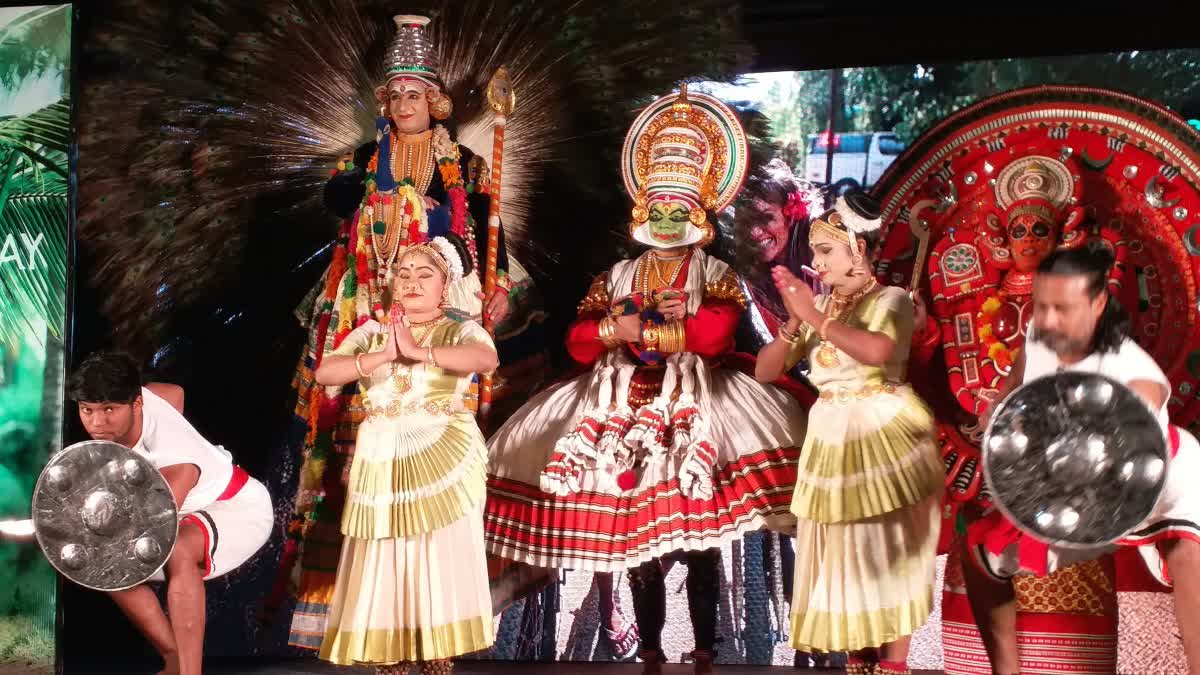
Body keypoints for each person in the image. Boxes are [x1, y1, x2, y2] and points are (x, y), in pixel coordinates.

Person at [485, 86, 807, 675]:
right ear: (641, 211)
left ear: (699, 214)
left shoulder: (715, 271)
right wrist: (616, 327)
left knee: (700, 539)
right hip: (617, 401)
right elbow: (579, 341)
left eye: (677, 211)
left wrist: (664, 332)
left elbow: (718, 334)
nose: (665, 221)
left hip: (699, 400)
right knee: (634, 545)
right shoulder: (617, 275)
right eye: (656, 209)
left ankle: (704, 649)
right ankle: (651, 652)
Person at [283, 14, 546, 649]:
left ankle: (441, 613)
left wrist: (494, 286)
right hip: (367, 300)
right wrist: (372, 194)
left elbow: (486, 233)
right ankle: (356, 610)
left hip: (441, 300)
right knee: (342, 441)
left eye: (415, 94)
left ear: (436, 102)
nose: (404, 105)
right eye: (395, 95)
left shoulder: (466, 163)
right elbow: (336, 205)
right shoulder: (362, 158)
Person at [963, 243, 1200, 675]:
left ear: (1098, 303)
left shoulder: (1136, 373)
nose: (1049, 320)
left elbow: (1124, 447)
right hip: (1076, 485)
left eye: (1063, 309)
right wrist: (1001, 403)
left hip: (1161, 479)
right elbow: (1023, 368)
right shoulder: (1041, 330)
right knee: (981, 555)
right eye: (1042, 306)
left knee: (1189, 561)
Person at [755, 192, 943, 675]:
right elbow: (765, 371)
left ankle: (894, 667)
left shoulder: (892, 299)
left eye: (825, 251)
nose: (816, 263)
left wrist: (816, 317)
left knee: (884, 553)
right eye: (814, 252)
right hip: (831, 437)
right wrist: (795, 319)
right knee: (843, 558)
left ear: (858, 249)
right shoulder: (819, 305)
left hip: (880, 430)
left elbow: (877, 352)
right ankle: (857, 662)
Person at [315, 234, 498, 675]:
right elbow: (326, 372)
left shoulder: (460, 329)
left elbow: (485, 359)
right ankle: (391, 652)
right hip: (382, 453)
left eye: (424, 275)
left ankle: (437, 650)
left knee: (436, 548)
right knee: (387, 550)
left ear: (445, 286)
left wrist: (419, 352)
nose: (412, 282)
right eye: (404, 274)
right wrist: (381, 356)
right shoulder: (372, 332)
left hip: (443, 451)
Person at [67, 351, 273, 675]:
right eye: (87, 410)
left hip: (238, 507)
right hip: (190, 509)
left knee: (176, 549)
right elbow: (174, 392)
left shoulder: (173, 456)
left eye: (109, 410)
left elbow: (155, 520)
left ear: (135, 404)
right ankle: (174, 658)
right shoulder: (142, 396)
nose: (96, 423)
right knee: (104, 565)